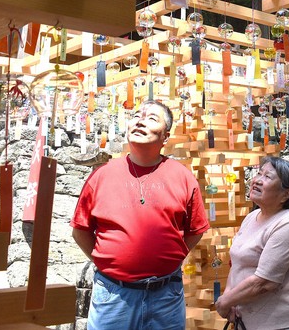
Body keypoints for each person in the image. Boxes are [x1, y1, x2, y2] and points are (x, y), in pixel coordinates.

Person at [71, 100, 210, 330]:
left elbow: (195, 230)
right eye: (136, 116)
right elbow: (80, 230)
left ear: (165, 136)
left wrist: (172, 256)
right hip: (113, 295)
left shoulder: (182, 177)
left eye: (152, 118)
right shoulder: (102, 176)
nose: (140, 121)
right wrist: (107, 264)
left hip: (166, 295)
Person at [215, 157, 289, 330]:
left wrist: (225, 301)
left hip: (283, 323)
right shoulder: (251, 217)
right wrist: (230, 299)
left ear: (286, 194)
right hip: (248, 320)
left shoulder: (288, 223)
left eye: (268, 177)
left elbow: (265, 282)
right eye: (259, 173)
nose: (258, 180)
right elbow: (237, 263)